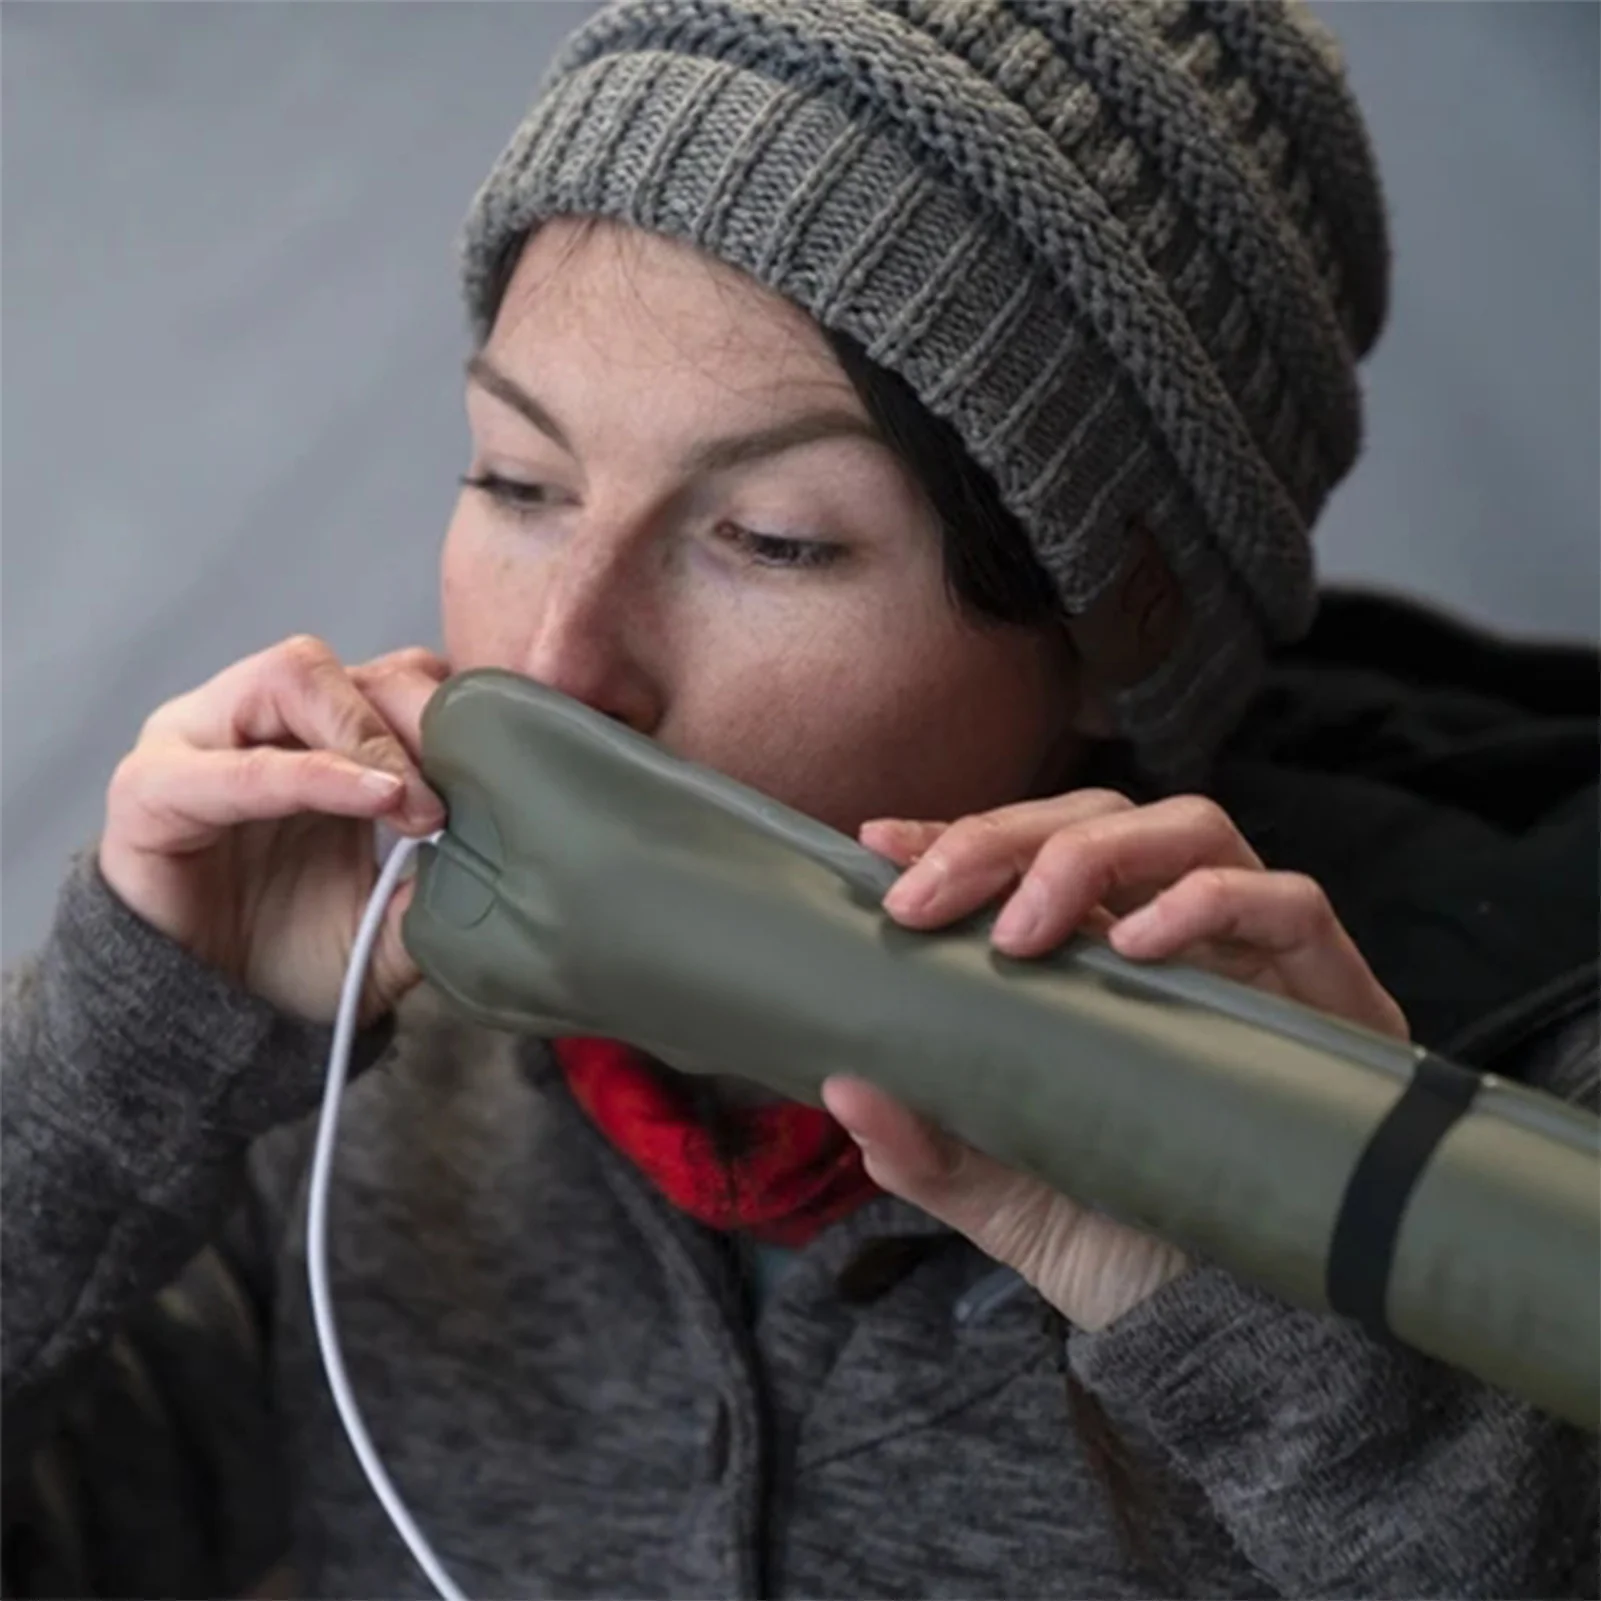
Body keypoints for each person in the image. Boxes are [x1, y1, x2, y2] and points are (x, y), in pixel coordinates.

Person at [4, 1, 1597, 1595]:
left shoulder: (1527, 1153)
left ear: (1125, 630)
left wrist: (1299, 1303)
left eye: (774, 539)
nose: (557, 666)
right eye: (518, 481)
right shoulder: (347, 1103)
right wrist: (121, 1059)